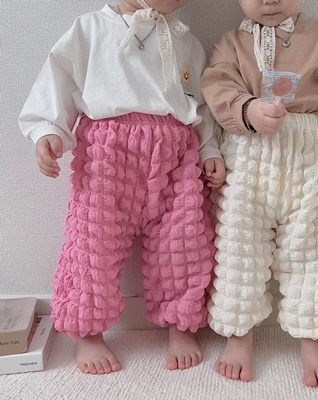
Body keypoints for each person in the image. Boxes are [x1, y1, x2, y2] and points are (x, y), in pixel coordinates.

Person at [19, 0, 225, 375]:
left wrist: (209, 148)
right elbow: (57, 81)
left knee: (183, 241)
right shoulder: (90, 29)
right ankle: (88, 331)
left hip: (176, 154)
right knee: (92, 243)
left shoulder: (184, 39)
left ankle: (180, 325)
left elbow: (201, 104)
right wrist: (48, 130)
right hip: (108, 154)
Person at [201, 0, 318, 387]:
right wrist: (247, 110)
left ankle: (315, 341)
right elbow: (217, 87)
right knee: (238, 248)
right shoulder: (231, 44)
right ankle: (238, 336)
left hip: (313, 156)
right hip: (248, 157)